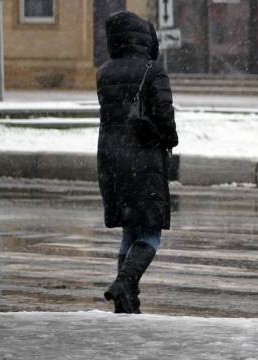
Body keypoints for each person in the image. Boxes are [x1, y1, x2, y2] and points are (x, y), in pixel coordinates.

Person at [96, 11, 179, 314]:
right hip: (142, 156)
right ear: (144, 38)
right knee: (150, 231)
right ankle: (125, 283)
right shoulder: (152, 70)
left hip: (110, 157)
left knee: (130, 228)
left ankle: (126, 298)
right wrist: (169, 138)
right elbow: (164, 114)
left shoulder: (104, 72)